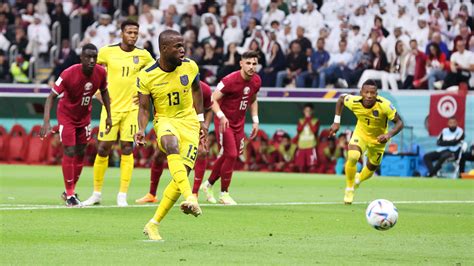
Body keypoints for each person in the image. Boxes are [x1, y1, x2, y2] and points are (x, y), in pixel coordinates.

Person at [135, 30, 207, 241]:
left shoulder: (190, 66)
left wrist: (201, 120)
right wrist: (141, 128)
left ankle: (153, 224)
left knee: (181, 174)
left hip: (190, 122)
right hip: (165, 119)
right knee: (170, 144)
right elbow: (144, 108)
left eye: (183, 45)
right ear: (164, 49)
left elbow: (197, 91)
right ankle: (191, 197)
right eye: (177, 46)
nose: (182, 50)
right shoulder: (147, 75)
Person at [82, 20, 155, 207]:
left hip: (132, 109)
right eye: (129, 32)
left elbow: (156, 74)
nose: (133, 36)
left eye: (135, 33)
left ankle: (122, 195)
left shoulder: (143, 55)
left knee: (128, 148)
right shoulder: (107, 51)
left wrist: (145, 95)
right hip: (111, 109)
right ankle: (96, 193)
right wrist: (97, 93)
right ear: (121, 34)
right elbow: (88, 69)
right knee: (102, 148)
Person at [40, 43, 112, 207]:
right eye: (88, 57)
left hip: (84, 117)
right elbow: (51, 96)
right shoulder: (68, 73)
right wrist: (46, 121)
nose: (92, 60)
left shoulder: (101, 72)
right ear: (82, 58)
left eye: (95, 57)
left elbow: (105, 92)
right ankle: (71, 195)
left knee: (81, 151)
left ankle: (69, 191)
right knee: (70, 150)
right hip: (66, 116)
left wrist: (109, 114)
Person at [135, 81, 213, 204]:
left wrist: (205, 126)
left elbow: (209, 109)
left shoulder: (205, 89)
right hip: (173, 126)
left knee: (202, 152)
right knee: (158, 156)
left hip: (192, 128)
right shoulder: (171, 84)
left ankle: (194, 193)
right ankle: (152, 194)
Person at [200, 51, 261, 205]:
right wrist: (220, 115)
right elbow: (212, 98)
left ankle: (207, 185)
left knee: (229, 156)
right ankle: (224, 194)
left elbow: (253, 99)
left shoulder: (256, 81)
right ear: (241, 63)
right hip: (224, 122)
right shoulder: (229, 80)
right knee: (232, 155)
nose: (251, 67)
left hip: (239, 123)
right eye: (248, 63)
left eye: (254, 63)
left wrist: (255, 120)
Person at [329, 79, 404, 204]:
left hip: (379, 140)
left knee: (370, 170)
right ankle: (349, 188)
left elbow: (400, 123)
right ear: (361, 92)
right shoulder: (354, 101)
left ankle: (358, 180)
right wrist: (337, 121)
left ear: (377, 94)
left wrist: (388, 134)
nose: (369, 96)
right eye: (366, 92)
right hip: (361, 134)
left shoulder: (385, 105)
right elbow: (341, 99)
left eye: (372, 93)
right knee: (353, 156)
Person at [295, 103, 319, 173]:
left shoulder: (315, 121)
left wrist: (309, 120)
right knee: (301, 166)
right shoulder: (300, 120)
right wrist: (306, 120)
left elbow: (314, 131)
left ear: (312, 111)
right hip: (301, 146)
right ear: (303, 111)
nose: (307, 112)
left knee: (312, 165)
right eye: (306, 111)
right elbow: (299, 130)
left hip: (311, 146)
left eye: (309, 111)